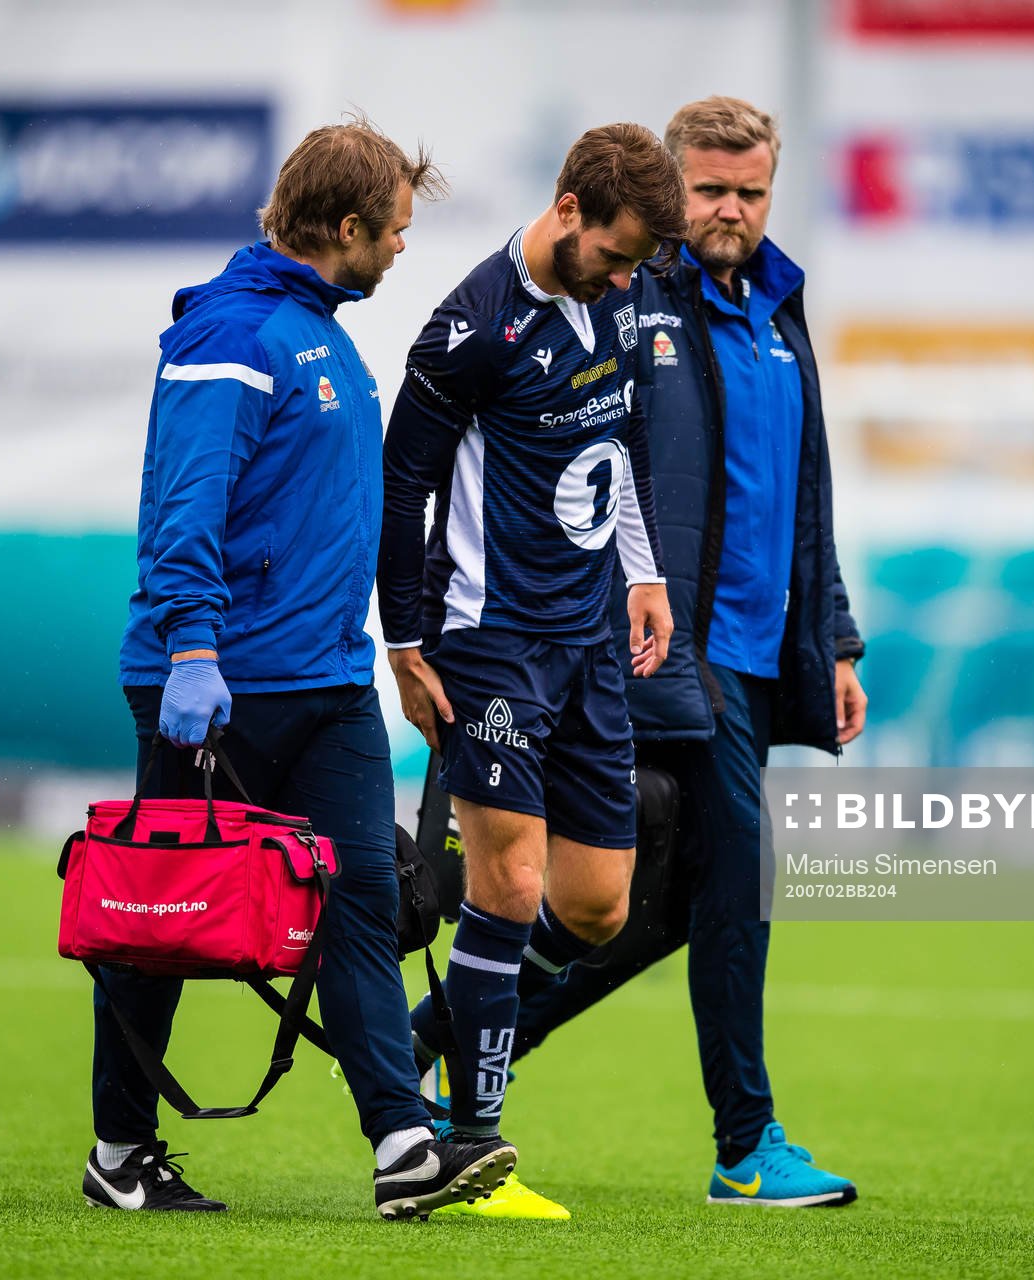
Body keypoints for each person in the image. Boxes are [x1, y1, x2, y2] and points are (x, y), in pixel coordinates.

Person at [96, 118, 515, 1220]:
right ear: (345, 228)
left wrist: (400, 651)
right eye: (396, 232)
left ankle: (403, 1146)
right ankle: (119, 1150)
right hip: (215, 686)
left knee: (363, 901)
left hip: (327, 686)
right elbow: (184, 505)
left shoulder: (320, 332)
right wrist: (190, 645)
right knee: (163, 917)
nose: (404, 249)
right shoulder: (228, 334)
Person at [511, 97, 868, 1208]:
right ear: (675, 188)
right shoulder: (633, 297)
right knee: (735, 883)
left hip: (765, 656)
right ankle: (746, 1145)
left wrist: (837, 638)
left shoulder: (777, 306)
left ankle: (442, 1042)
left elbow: (802, 493)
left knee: (653, 909)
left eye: (750, 191)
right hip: (670, 653)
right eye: (710, 188)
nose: (730, 209)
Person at [379, 123, 687, 1220]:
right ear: (568, 208)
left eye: (640, 261)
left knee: (598, 906)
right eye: (615, 252)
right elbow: (405, 478)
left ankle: (421, 1037)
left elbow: (628, 441)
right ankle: (469, 1149)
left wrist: (643, 576)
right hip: (489, 638)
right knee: (506, 889)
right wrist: (405, 641)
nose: (626, 275)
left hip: (592, 635)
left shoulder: (631, 292)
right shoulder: (471, 325)